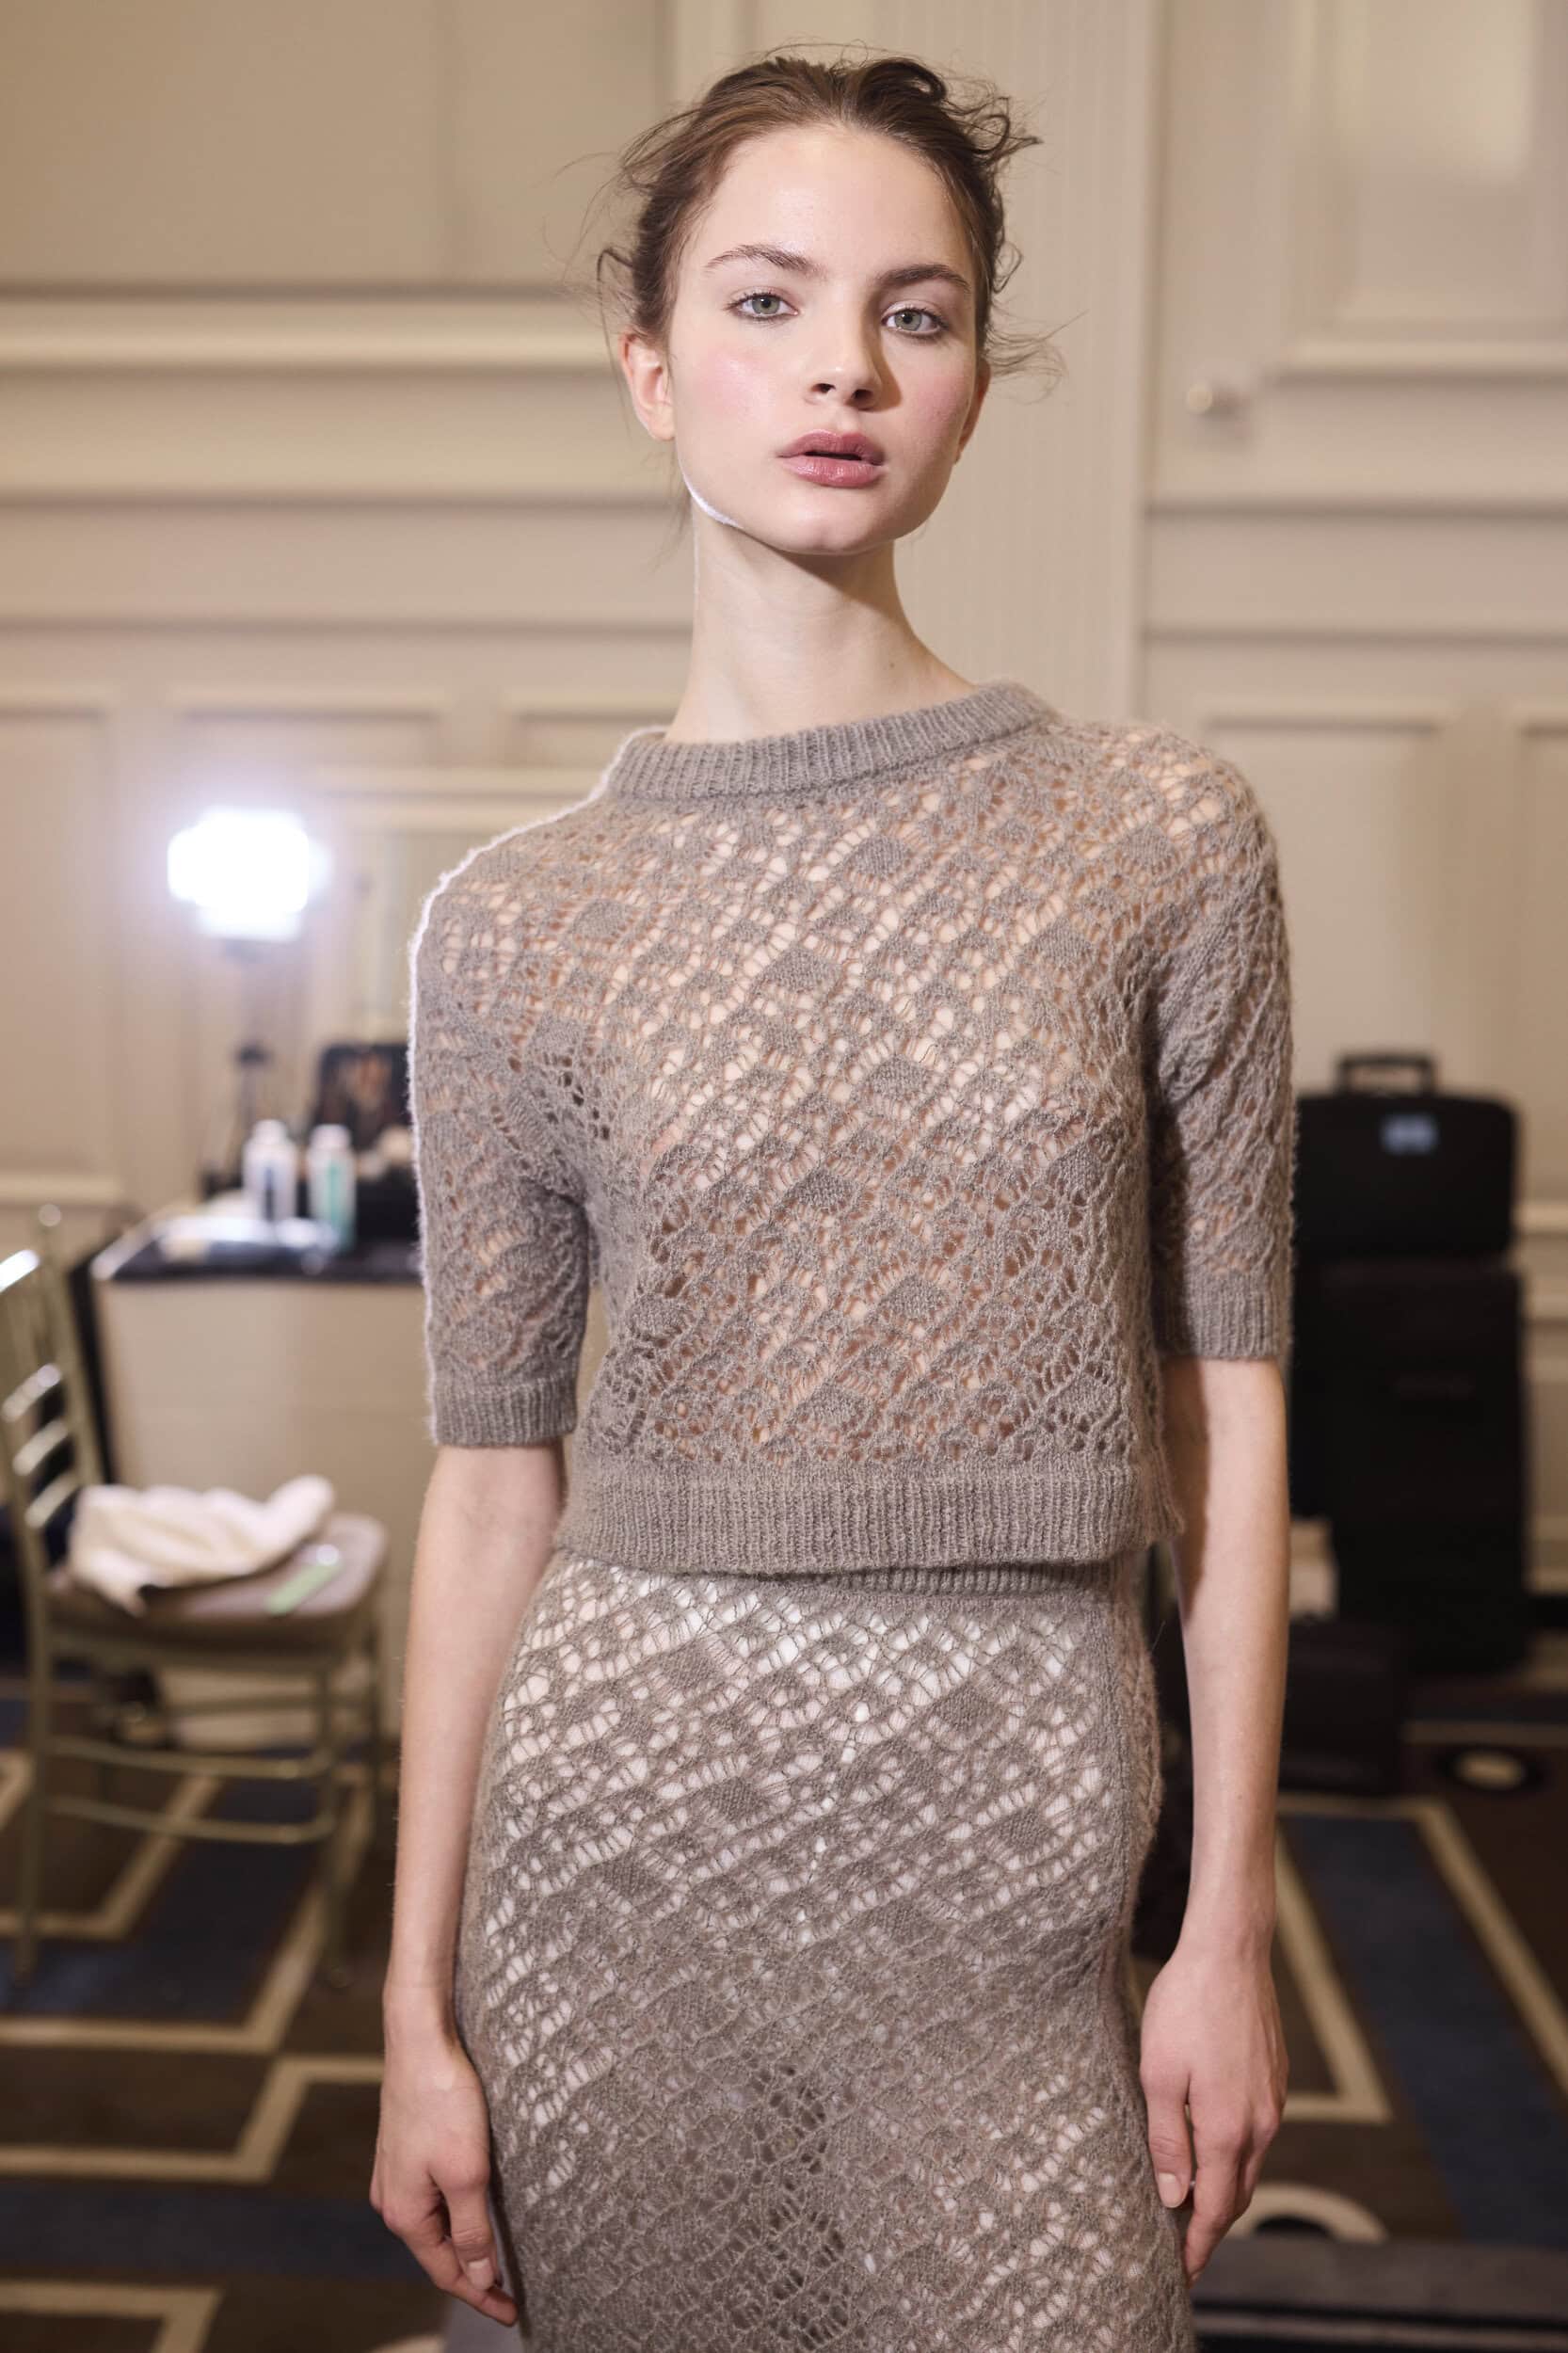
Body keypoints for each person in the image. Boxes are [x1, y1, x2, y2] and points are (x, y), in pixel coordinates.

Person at [372, 45, 1293, 2353]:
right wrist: (412, 2008)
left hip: (1018, 1843)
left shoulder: (1159, 840)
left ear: (970, 383)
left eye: (916, 311)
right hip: (611, 1849)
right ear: (648, 367)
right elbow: (489, 1488)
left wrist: (1226, 1925)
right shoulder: (514, 922)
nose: (843, 370)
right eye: (767, 301)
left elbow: (1223, 1424)